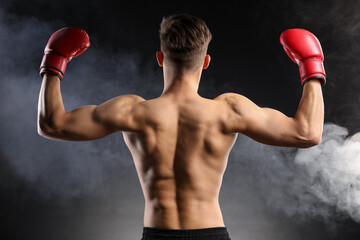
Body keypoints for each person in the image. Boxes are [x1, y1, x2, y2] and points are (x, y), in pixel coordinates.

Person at [37, 14, 325, 240]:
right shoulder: (228, 109)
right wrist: (311, 68)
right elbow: (307, 132)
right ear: (206, 62)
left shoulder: (132, 111)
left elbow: (52, 125)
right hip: (211, 234)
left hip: (156, 234)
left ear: (160, 59)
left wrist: (54, 63)